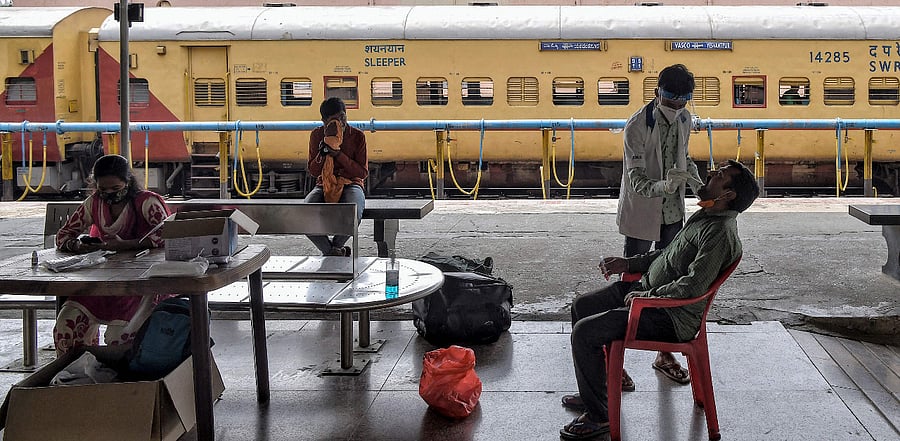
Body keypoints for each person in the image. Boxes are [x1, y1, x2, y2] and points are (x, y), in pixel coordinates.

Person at [559, 160, 759, 440]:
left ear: (728, 195)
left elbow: (693, 286)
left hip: (669, 316)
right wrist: (628, 264)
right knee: (583, 306)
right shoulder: (706, 216)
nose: (711, 174)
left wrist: (647, 297)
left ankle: (599, 417)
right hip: (648, 294)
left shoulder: (719, 233)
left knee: (586, 332)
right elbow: (668, 255)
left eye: (720, 175)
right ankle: (597, 393)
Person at [615, 63, 704, 388]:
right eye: (671, 99)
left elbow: (684, 157)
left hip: (672, 216)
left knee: (668, 283)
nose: (677, 105)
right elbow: (636, 178)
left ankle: (664, 354)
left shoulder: (684, 119)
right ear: (657, 93)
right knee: (631, 284)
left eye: (683, 100)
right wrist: (663, 187)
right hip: (642, 213)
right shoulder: (637, 126)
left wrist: (696, 184)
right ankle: (617, 358)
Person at [53, 154, 172, 355]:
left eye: (115, 189)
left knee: (120, 336)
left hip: (142, 284)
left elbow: (169, 234)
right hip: (100, 284)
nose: (108, 194)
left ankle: (120, 380)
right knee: (67, 324)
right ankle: (75, 377)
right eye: (103, 189)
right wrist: (77, 246)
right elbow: (63, 235)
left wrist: (125, 245)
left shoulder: (147, 203)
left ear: (128, 182)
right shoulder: (94, 204)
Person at [303, 97, 369, 256]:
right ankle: (334, 252)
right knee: (304, 214)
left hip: (352, 183)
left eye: (342, 117)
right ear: (324, 121)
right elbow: (313, 170)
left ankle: (333, 248)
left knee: (353, 211)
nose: (340, 122)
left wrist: (338, 155)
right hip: (323, 183)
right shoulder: (317, 135)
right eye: (334, 119)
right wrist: (322, 153)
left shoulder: (357, 136)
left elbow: (362, 173)